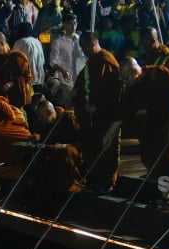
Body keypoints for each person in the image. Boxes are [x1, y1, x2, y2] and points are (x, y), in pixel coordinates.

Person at [104, 57, 169, 209]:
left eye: (125, 79)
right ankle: (164, 196)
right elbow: (123, 110)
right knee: (153, 162)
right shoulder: (133, 87)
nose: (124, 83)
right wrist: (109, 134)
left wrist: (148, 110)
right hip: (148, 132)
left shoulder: (159, 74)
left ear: (134, 74)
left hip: (166, 126)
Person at [72, 31, 123, 194]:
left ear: (93, 44)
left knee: (108, 147)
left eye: (84, 47)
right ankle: (95, 179)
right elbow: (83, 81)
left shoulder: (106, 60)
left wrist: (97, 105)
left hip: (105, 114)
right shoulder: (93, 61)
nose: (83, 51)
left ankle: (108, 182)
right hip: (91, 117)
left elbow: (113, 90)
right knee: (93, 146)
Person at [24, 100, 85, 205]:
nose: (40, 120)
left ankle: (72, 186)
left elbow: (81, 141)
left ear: (51, 113)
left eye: (42, 117)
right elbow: (46, 137)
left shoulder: (68, 119)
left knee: (63, 153)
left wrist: (64, 145)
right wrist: (37, 138)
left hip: (72, 150)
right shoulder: (42, 122)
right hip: (52, 151)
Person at [0, 30, 34, 108]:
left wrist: (11, 84)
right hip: (1, 101)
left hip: (18, 100)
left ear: (2, 43)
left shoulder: (17, 58)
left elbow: (27, 77)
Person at [48, 13, 86, 106]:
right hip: (66, 81)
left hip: (81, 80)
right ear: (64, 25)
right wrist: (63, 71)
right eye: (70, 23)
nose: (73, 26)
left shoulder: (81, 40)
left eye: (75, 23)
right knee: (70, 106)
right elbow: (53, 61)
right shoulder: (58, 42)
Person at [11, 22, 45, 94]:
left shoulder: (20, 42)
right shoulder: (38, 42)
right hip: (40, 78)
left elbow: (13, 60)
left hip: (28, 80)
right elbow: (43, 60)